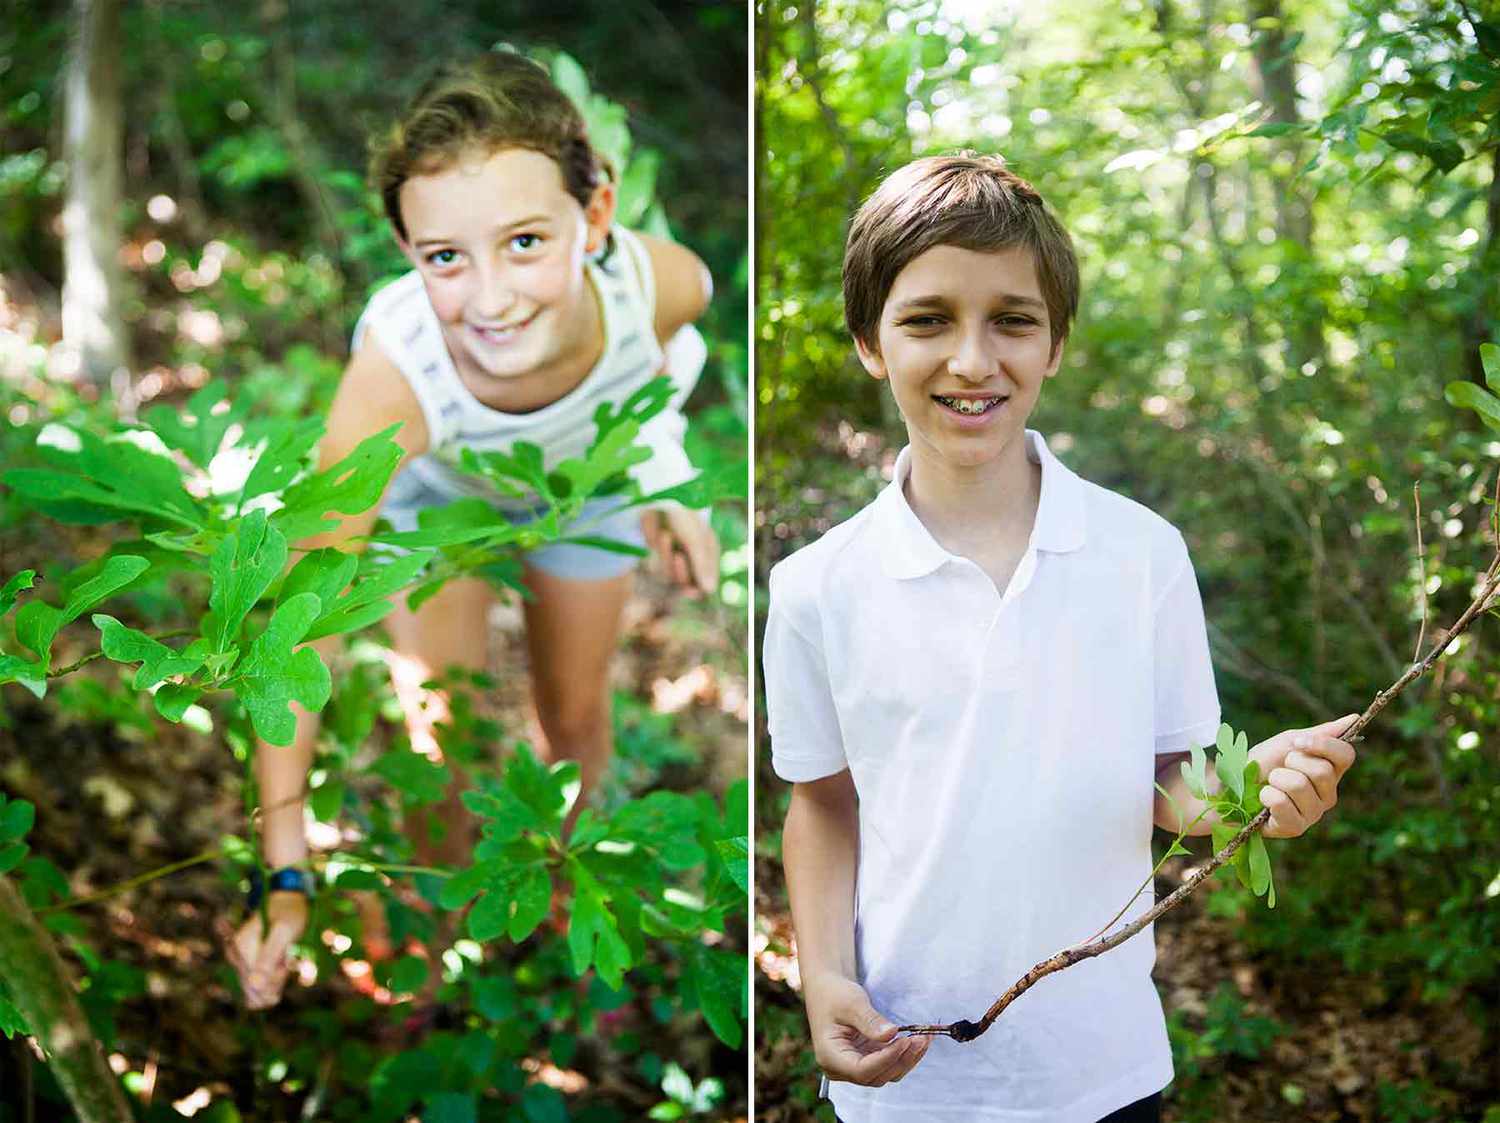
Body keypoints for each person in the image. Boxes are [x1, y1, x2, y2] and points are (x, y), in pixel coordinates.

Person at [762, 154, 1358, 1123]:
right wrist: (823, 975)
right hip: (909, 1079)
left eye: (1012, 319)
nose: (972, 358)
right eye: (927, 319)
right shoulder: (817, 587)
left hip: (1103, 1070)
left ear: (1055, 343)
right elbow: (825, 800)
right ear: (871, 342)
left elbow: (1169, 780)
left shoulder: (1142, 553)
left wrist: (1255, 795)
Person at [226, 51, 719, 1009]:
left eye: (526, 241)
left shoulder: (665, 284)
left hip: (581, 488)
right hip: (438, 507)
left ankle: (561, 890)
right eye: (446, 257)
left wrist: (669, 475)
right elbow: (298, 634)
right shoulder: (394, 376)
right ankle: (442, 937)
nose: (489, 298)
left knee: (574, 720)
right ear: (411, 256)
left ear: (598, 216)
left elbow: (667, 365)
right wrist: (283, 870)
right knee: (440, 730)